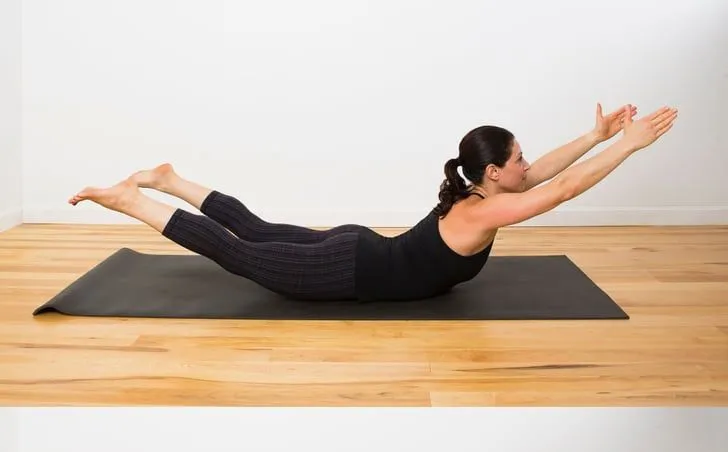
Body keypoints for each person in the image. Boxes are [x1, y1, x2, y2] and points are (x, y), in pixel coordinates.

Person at [68, 103, 678, 303]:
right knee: (238, 253)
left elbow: (543, 175)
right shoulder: (483, 207)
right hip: (345, 266)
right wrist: (627, 146)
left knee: (255, 229)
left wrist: (596, 137)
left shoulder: (479, 191)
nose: (527, 164)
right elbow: (560, 188)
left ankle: (172, 179)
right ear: (493, 172)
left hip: (356, 249)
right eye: (517, 159)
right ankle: (132, 199)